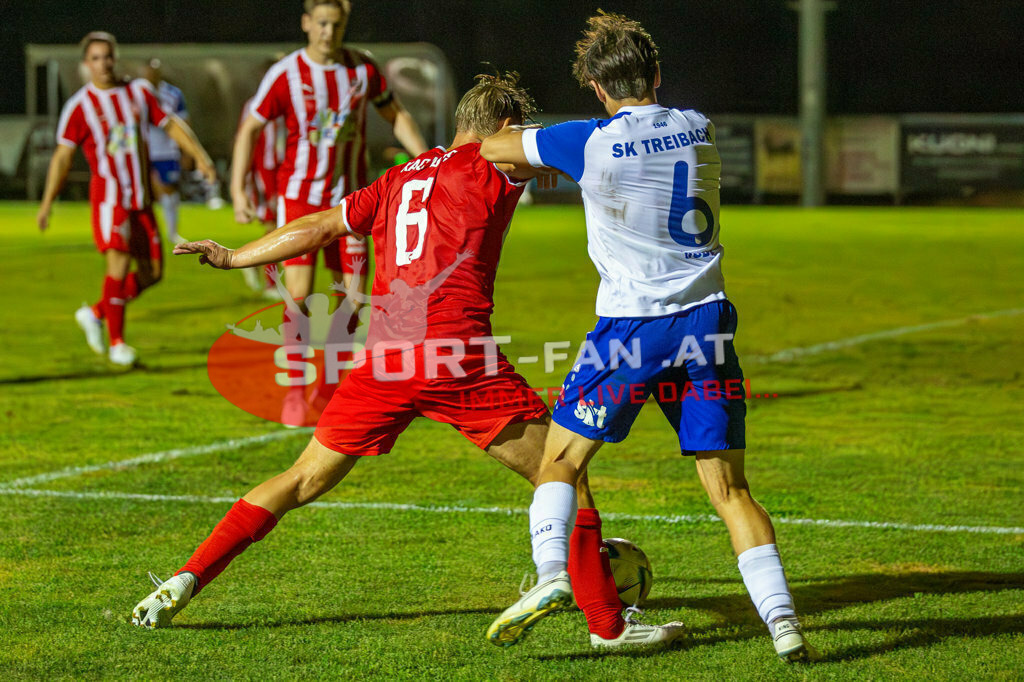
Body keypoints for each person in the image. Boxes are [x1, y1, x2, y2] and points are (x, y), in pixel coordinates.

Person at [131, 74, 624, 642]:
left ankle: (187, 576)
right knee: (562, 469)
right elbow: (578, 150)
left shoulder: (397, 178)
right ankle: (601, 618)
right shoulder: (491, 162)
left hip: (384, 362)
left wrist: (235, 255)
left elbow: (319, 225)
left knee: (300, 479)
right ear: (505, 129)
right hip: (455, 355)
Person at [480, 12, 809, 661]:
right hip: (707, 323)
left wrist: (540, 152)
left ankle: (551, 574)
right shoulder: (697, 125)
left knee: (560, 461)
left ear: (598, 88)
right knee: (731, 491)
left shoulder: (587, 140)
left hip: (632, 328)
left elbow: (496, 147)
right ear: (656, 74)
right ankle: (784, 625)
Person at [229, 0, 429, 423]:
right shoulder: (286, 73)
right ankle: (295, 392)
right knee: (298, 296)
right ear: (306, 23)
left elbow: (395, 114)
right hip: (299, 200)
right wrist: (237, 188)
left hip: (352, 204)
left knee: (353, 300)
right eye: (321, 23)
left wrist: (429, 160)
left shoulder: (362, 69)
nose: (328, 32)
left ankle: (328, 387)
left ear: (344, 25)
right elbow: (250, 127)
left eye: (335, 24)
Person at [37, 31, 216, 367]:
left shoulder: (138, 92)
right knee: (118, 265)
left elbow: (171, 125)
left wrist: (200, 156)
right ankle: (117, 343)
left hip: (141, 200)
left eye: (108, 56)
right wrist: (47, 203)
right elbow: (62, 157)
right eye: (96, 58)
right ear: (86, 64)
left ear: (114, 58)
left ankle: (95, 313)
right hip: (110, 200)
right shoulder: (79, 106)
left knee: (153, 273)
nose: (103, 64)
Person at [237, 62, 286, 299]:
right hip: (266, 173)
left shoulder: (288, 99)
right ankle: (270, 283)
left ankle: (250, 261)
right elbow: (245, 140)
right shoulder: (254, 105)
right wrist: (247, 177)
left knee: (280, 226)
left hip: (286, 171)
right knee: (273, 226)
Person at [142, 58, 189, 245]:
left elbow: (183, 123)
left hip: (166, 151)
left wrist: (186, 151)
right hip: (143, 151)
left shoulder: (173, 94)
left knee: (169, 191)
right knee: (145, 193)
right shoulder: (137, 93)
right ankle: (148, 234)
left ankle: (172, 232)